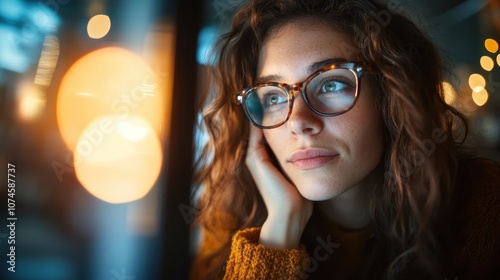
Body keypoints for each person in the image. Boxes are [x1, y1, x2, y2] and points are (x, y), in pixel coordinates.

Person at [190, 0, 500, 279]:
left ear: (389, 95)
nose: (299, 122)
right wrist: (278, 232)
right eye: (273, 98)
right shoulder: (229, 220)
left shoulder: (485, 211)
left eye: (331, 84)